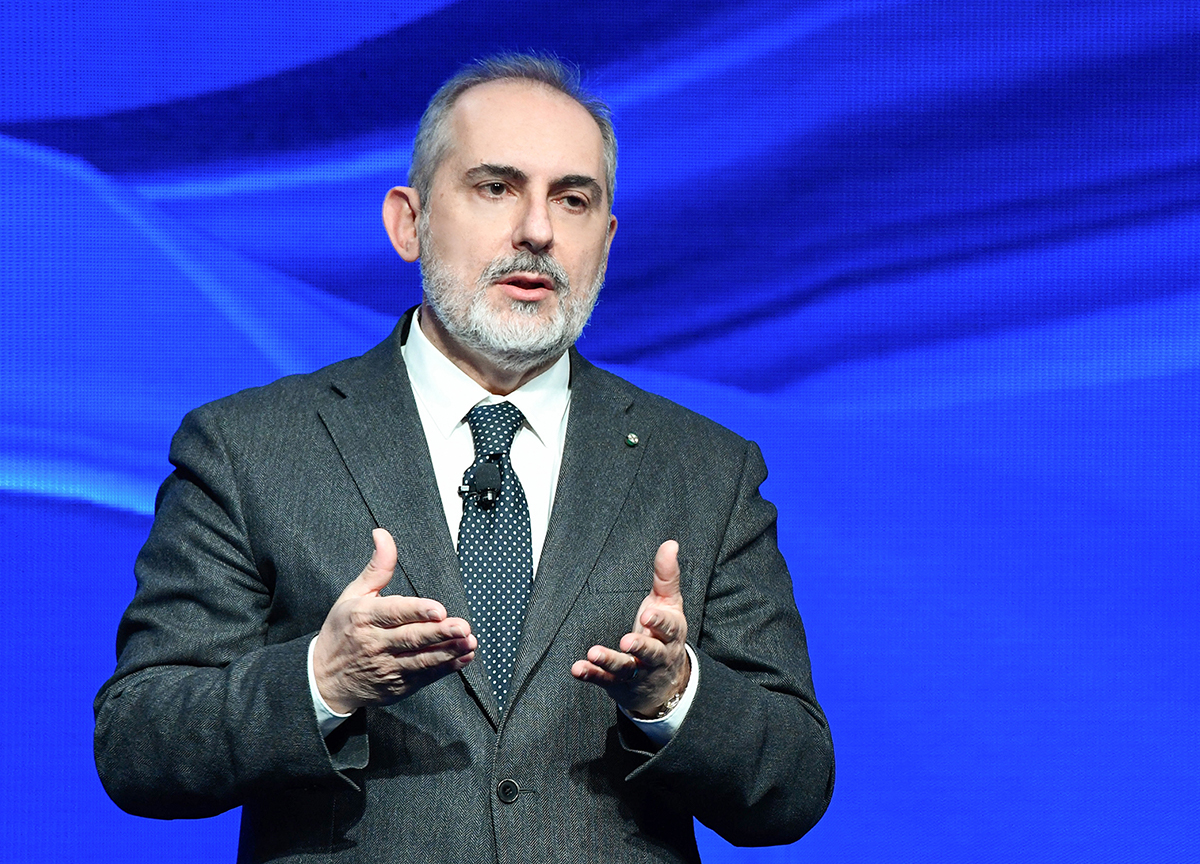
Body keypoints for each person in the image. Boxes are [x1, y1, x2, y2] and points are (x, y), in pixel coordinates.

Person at [94, 53, 834, 863]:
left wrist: (675, 694)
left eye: (573, 199)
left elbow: (793, 784)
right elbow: (138, 744)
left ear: (607, 239)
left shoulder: (705, 468)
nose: (538, 231)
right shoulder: (250, 449)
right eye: (496, 187)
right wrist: (322, 680)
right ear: (408, 223)